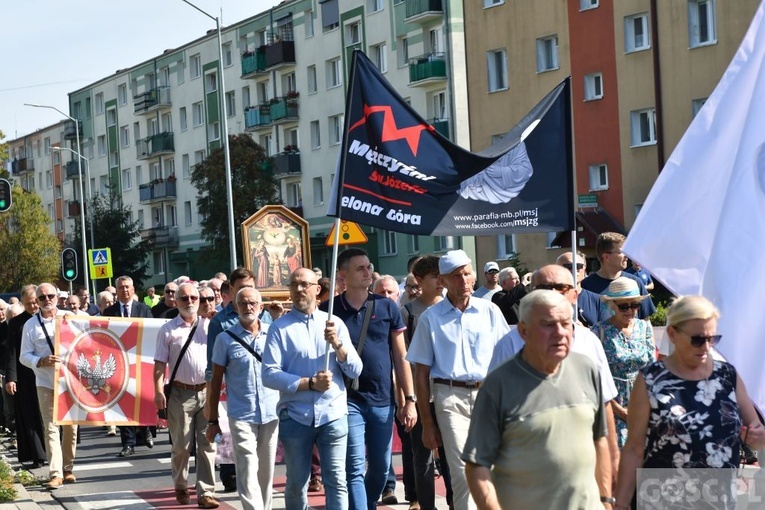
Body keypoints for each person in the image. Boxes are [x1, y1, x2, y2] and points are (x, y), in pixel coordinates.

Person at [462, 290, 613, 509]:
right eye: (548, 325)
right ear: (523, 331)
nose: (560, 333)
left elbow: (600, 440)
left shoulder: (586, 368)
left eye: (566, 323)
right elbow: (477, 464)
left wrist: (606, 500)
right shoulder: (498, 384)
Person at [613, 296, 765, 510]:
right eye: (697, 339)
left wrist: (758, 436)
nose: (706, 346)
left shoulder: (728, 376)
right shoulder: (650, 379)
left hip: (717, 498)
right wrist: (620, 503)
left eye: (712, 339)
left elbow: (756, 437)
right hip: (662, 499)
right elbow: (634, 448)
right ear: (672, 334)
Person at [488, 265, 620, 482]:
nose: (552, 293)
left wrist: (613, 457)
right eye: (544, 287)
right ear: (532, 294)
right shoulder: (509, 345)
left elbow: (604, 404)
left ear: (574, 294)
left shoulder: (590, 342)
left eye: (560, 287)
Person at [406, 250, 509, 510]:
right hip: (449, 397)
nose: (464, 280)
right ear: (443, 281)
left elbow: (507, 360)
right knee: (463, 471)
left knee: (494, 469)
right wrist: (427, 424)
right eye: (456, 276)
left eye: (467, 273)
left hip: (490, 397)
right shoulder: (431, 318)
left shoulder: (491, 311)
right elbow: (421, 372)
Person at [321, 249, 417, 510]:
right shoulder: (328, 311)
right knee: (353, 467)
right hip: (347, 400)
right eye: (360, 268)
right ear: (343, 276)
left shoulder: (386, 306)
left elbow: (401, 356)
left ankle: (368, 502)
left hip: (382, 398)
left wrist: (409, 399)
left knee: (381, 466)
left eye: (368, 266)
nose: (367, 272)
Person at [262, 267, 363, 510]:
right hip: (296, 416)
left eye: (304, 284)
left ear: (317, 290)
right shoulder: (279, 328)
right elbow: (269, 374)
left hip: (333, 414)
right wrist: (309, 383)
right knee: (297, 482)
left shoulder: (334, 324)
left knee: (337, 480)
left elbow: (355, 369)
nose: (298, 289)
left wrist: (338, 345)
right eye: (294, 284)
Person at [207, 287, 278, 510]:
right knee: (247, 465)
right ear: (236, 307)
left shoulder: (274, 334)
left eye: (253, 303)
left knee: (266, 471)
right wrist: (212, 420)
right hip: (241, 414)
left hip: (271, 412)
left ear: (261, 307)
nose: (248, 307)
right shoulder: (224, 339)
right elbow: (215, 380)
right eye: (243, 303)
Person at [154, 283, 219, 509]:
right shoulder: (168, 329)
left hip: (207, 392)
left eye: (194, 298)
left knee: (207, 443)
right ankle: (181, 484)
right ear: (176, 302)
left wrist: (217, 318)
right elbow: (160, 363)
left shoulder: (211, 325)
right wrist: (158, 391)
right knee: (181, 444)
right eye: (184, 298)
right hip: (180, 393)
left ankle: (206, 492)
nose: (190, 302)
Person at [401, 255, 453, 510]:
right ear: (420, 281)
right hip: (421, 392)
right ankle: (423, 503)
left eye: (442, 275)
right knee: (422, 456)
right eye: (435, 276)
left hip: (447, 393)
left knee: (451, 456)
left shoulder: (451, 307)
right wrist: (406, 399)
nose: (441, 281)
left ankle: (455, 502)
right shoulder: (409, 311)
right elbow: (402, 358)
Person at [19, 283, 78, 489]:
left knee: (70, 427)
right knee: (50, 427)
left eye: (50, 296)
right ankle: (55, 473)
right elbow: (23, 356)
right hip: (45, 381)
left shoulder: (70, 318)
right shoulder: (30, 325)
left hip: (70, 381)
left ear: (57, 296)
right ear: (36, 300)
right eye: (41, 298)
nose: (46, 300)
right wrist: (40, 361)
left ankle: (68, 468)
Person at [591, 277, 654, 448]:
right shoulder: (599, 331)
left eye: (635, 305)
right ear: (612, 305)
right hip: (611, 405)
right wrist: (620, 411)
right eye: (624, 306)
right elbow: (594, 378)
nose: (630, 311)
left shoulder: (645, 328)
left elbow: (652, 370)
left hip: (643, 403)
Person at [103, 276, 154, 457]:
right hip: (120, 364)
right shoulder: (108, 312)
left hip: (140, 362)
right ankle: (128, 444)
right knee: (123, 404)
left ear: (133, 289)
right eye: (121, 287)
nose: (124, 290)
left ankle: (145, 429)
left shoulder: (144, 309)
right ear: (116, 291)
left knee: (142, 399)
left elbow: (151, 334)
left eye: (127, 287)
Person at [4, 285, 46, 468]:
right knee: (29, 416)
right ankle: (37, 454)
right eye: (29, 304)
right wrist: (11, 378)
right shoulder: (16, 323)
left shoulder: (48, 318)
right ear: (23, 303)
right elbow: (11, 353)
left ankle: (53, 451)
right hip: (24, 376)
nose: (34, 307)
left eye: (35, 302)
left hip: (46, 374)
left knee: (47, 416)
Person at [581, 232, 655, 320]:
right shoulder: (586, 287)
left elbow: (646, 321)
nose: (627, 256)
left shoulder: (635, 282)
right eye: (622, 252)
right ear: (606, 257)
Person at [556, 251, 609, 328]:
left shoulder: (598, 301)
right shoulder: (550, 300)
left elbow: (605, 333)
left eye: (578, 266)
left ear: (584, 268)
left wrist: (584, 331)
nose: (574, 270)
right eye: (569, 266)